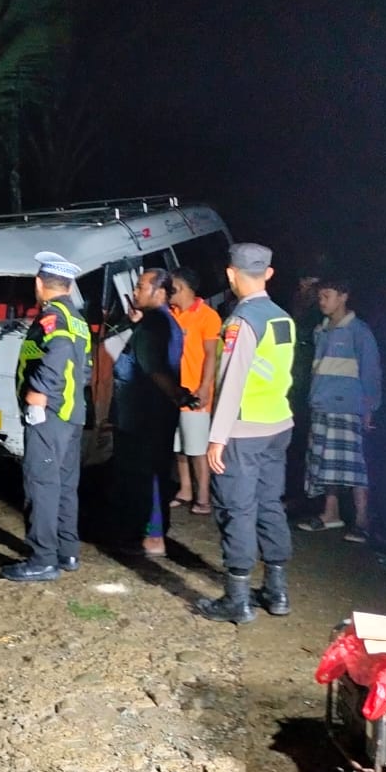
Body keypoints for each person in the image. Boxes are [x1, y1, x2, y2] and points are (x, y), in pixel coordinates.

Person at [195, 242, 296, 624]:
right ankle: (277, 591)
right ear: (268, 273)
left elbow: (232, 379)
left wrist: (217, 436)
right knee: (269, 504)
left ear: (230, 274)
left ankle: (237, 600)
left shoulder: (241, 321)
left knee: (236, 508)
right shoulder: (283, 318)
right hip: (278, 425)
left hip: (243, 430)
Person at [3, 251, 92, 583]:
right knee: (65, 485)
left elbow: (57, 353)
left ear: (39, 284)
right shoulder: (78, 318)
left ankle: (42, 558)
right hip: (70, 412)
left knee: (41, 484)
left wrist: (38, 393)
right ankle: (66, 551)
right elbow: (85, 369)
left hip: (49, 414)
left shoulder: (54, 318)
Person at [298, 277, 382, 543]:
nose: (322, 301)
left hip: (348, 407)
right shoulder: (320, 330)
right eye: (320, 297)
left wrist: (369, 408)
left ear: (343, 296)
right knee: (325, 462)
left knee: (355, 465)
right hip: (322, 405)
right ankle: (330, 514)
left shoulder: (359, 331)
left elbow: (371, 372)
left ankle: (362, 520)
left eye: (327, 296)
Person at [114, 267, 187, 556]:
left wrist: (178, 396)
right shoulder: (164, 322)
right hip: (155, 413)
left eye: (141, 287)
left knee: (145, 476)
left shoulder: (153, 325)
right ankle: (151, 533)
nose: (135, 292)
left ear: (158, 292)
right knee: (154, 473)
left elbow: (155, 369)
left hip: (143, 415)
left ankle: (150, 536)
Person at [169, 266, 222, 516]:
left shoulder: (207, 316)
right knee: (179, 446)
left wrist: (204, 386)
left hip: (194, 393)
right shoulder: (171, 314)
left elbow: (211, 354)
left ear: (180, 287)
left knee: (197, 449)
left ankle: (204, 497)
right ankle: (185, 490)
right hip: (173, 392)